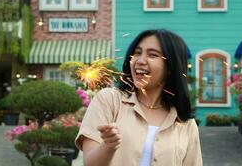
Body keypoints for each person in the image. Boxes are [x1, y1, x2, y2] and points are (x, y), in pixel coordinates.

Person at [75, 29, 203, 166]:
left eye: (153, 55)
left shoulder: (185, 123)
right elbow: (89, 163)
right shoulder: (109, 100)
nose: (140, 61)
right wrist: (108, 146)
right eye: (137, 53)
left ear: (171, 66)